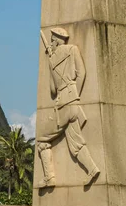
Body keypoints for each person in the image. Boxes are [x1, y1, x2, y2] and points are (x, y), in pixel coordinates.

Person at [37, 27, 100, 188]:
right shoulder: (73, 49)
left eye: (52, 39)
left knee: (42, 139)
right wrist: (74, 94)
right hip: (74, 101)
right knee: (76, 143)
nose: (51, 42)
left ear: (57, 40)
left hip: (63, 104)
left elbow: (53, 89)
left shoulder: (52, 59)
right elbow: (82, 73)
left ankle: (49, 177)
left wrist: (50, 63)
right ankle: (92, 169)